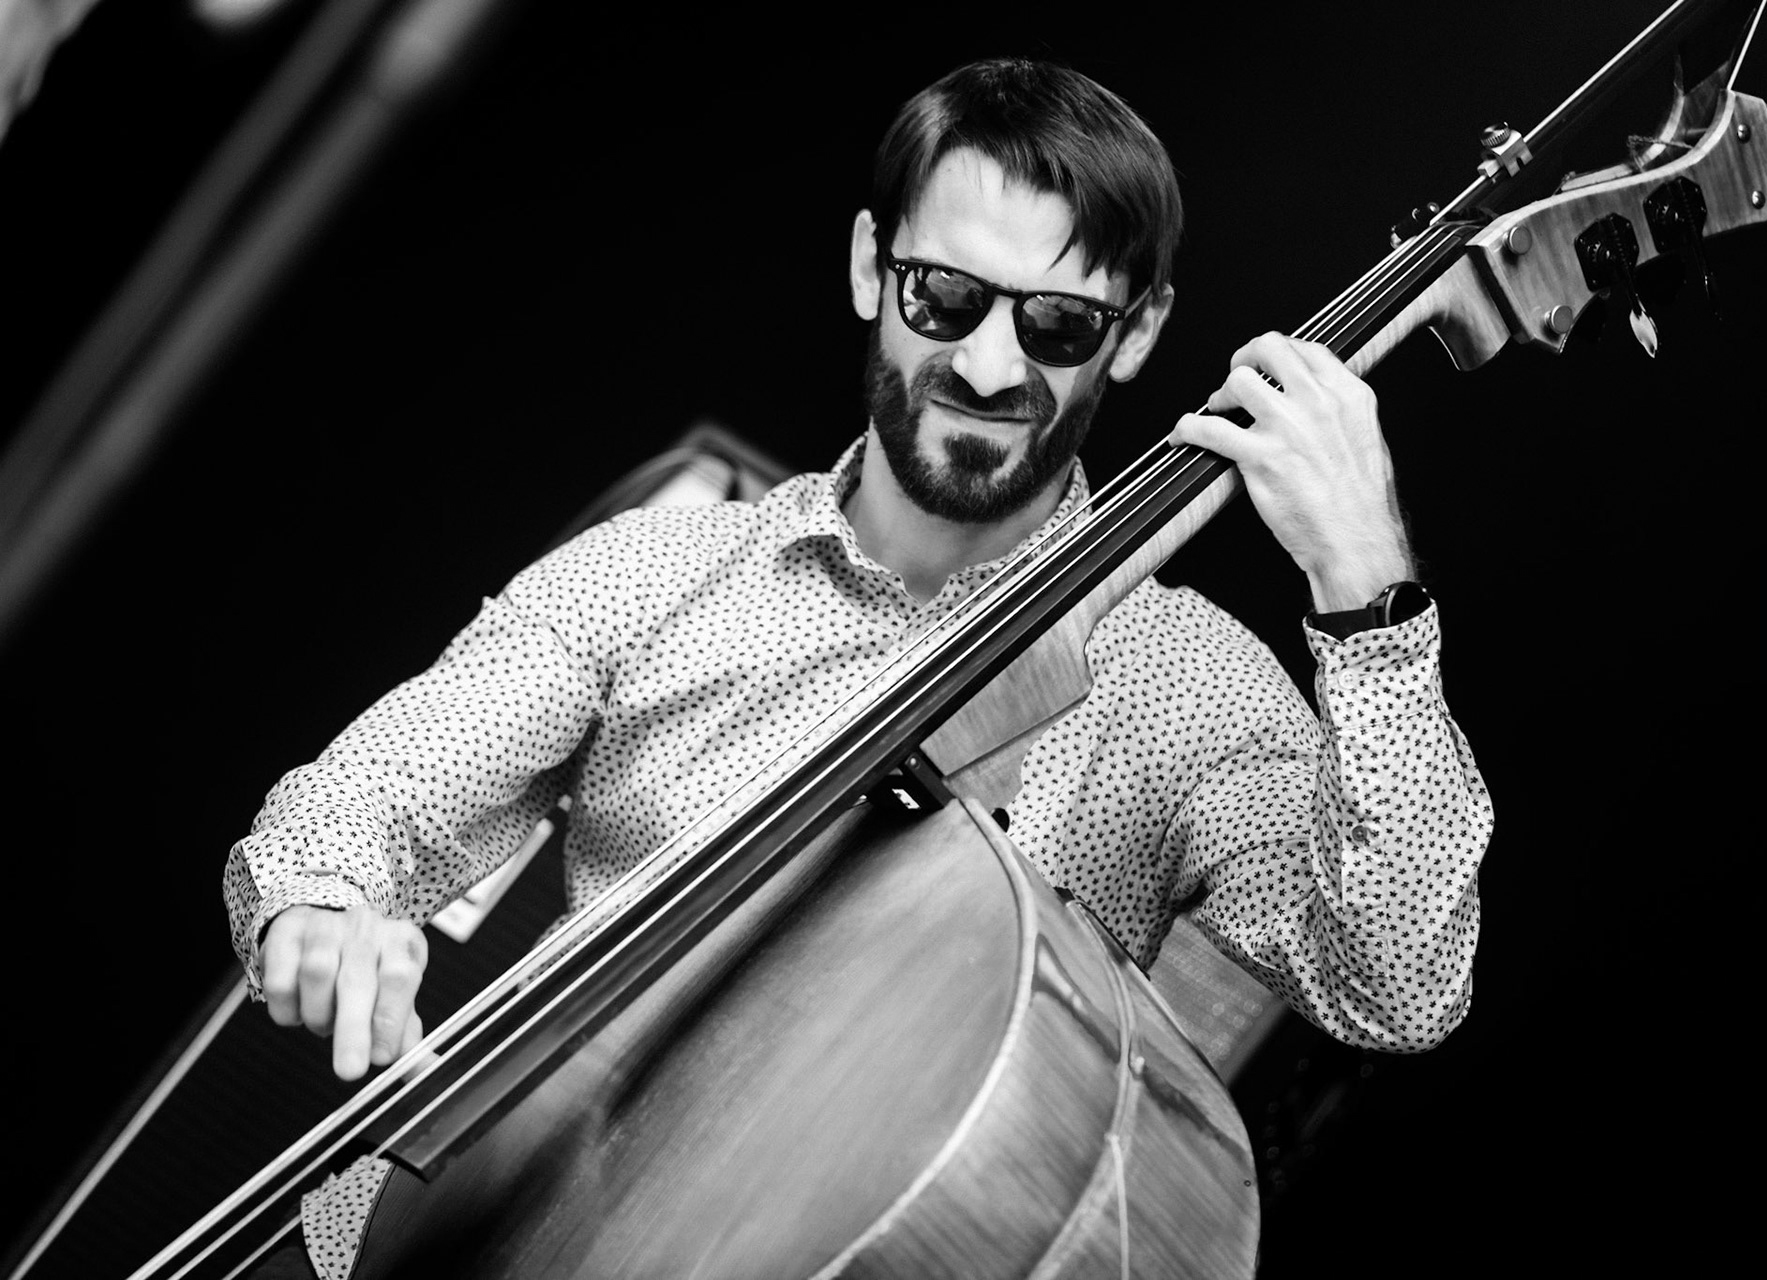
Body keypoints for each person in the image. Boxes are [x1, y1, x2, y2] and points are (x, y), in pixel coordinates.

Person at [224, 56, 1491, 1278]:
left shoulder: (1191, 691)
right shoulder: (661, 571)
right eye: (945, 298)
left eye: (1057, 325)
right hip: (440, 1234)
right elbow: (357, 805)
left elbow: (1401, 982)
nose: (991, 368)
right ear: (867, 267)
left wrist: (1369, 590)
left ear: (1140, 329)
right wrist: (322, 909)